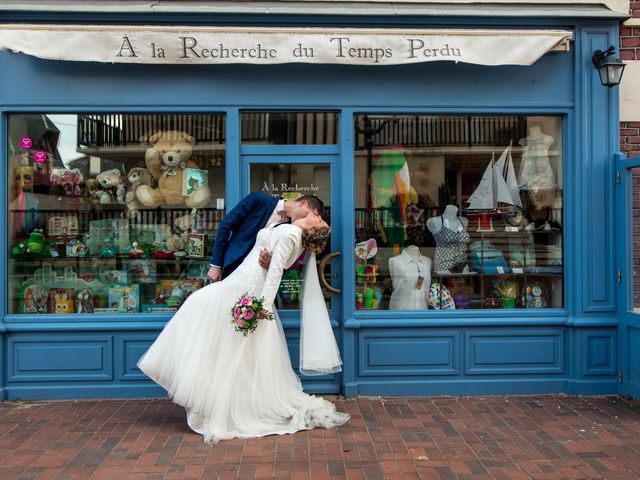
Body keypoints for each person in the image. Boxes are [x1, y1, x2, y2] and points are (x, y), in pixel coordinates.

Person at [138, 212, 349, 443]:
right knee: (217, 333)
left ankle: (219, 402)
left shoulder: (291, 235)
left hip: (245, 290)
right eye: (319, 216)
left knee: (200, 304)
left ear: (311, 231)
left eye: (319, 221)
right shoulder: (288, 229)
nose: (317, 216)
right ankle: (214, 398)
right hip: (238, 283)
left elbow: (276, 273)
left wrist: (262, 308)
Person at [208, 192, 324, 282]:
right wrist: (216, 265)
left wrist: (271, 263)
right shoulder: (258, 199)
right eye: (309, 215)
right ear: (303, 203)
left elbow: (285, 263)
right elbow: (226, 226)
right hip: (232, 265)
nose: (308, 220)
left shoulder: (291, 230)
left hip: (256, 278)